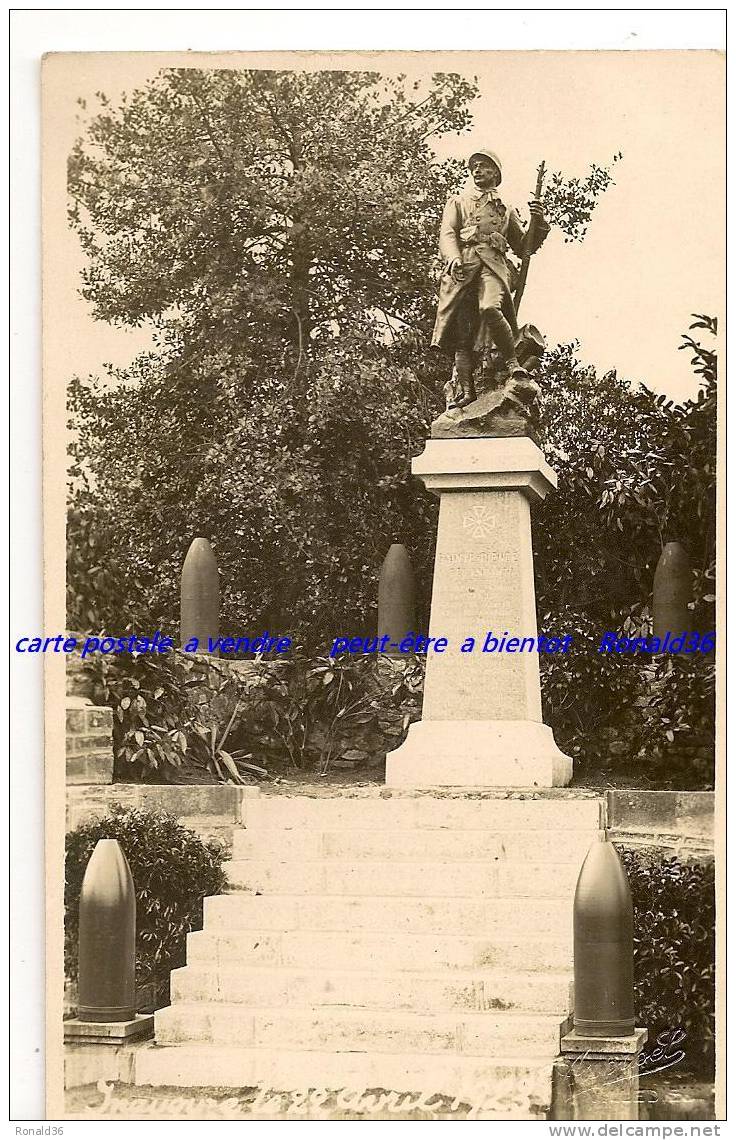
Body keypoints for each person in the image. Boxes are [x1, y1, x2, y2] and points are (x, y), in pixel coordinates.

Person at [431, 148, 549, 408]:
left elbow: (523, 246)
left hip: (494, 265)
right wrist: (452, 258)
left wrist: (538, 223)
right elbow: (448, 233)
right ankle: (465, 392)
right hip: (464, 267)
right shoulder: (458, 202)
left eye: (483, 165)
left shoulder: (506, 210)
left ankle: (513, 364)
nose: (477, 170)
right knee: (463, 334)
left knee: (490, 308)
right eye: (474, 166)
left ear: (495, 172)